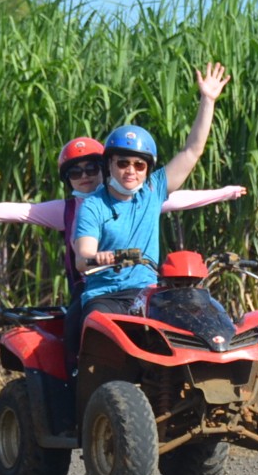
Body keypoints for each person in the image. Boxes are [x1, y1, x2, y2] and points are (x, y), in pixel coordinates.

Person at [0, 135, 246, 302]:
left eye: (90, 169)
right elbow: (12, 211)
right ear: (67, 179)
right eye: (74, 172)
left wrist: (228, 192)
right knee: (74, 336)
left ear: (105, 167)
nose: (84, 177)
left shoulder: (136, 196)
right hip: (91, 286)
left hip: (139, 285)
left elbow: (181, 198)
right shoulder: (65, 210)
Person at [66, 62, 232, 362]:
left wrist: (208, 100)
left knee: (193, 330)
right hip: (107, 296)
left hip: (149, 294)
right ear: (110, 165)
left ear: (147, 170)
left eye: (139, 165)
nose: (131, 170)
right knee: (97, 340)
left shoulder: (152, 192)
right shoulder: (93, 205)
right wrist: (98, 258)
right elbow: (82, 257)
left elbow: (192, 151)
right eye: (123, 163)